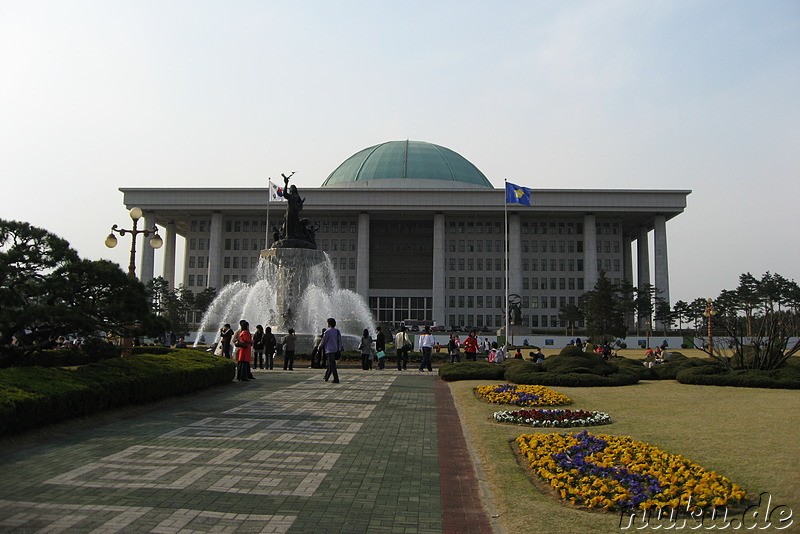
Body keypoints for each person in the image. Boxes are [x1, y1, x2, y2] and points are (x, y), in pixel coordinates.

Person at [322, 318, 342, 383]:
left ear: (329, 324)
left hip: (329, 350)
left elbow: (324, 340)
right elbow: (340, 341)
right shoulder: (337, 331)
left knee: (332, 365)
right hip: (335, 349)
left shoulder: (327, 332)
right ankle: (326, 377)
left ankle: (336, 379)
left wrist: (319, 347)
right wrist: (339, 349)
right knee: (331, 364)